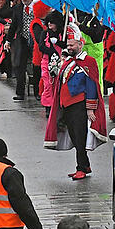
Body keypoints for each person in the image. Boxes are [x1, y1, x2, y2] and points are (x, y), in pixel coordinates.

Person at [44, 24, 107, 180]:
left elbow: (92, 85)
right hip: (66, 105)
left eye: (72, 45)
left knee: (80, 138)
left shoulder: (89, 61)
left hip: (79, 105)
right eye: (68, 45)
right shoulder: (68, 61)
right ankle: (84, 166)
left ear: (81, 44)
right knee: (74, 136)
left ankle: (81, 168)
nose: (69, 47)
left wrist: (91, 109)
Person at [5, 0, 37, 101]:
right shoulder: (18, 8)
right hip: (22, 39)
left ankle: (38, 92)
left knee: (36, 66)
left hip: (35, 40)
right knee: (19, 65)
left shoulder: (37, 7)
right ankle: (20, 93)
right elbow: (13, 26)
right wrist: (8, 40)